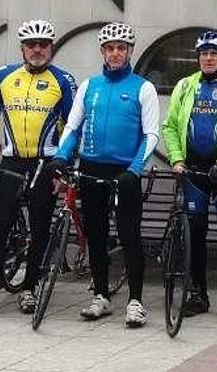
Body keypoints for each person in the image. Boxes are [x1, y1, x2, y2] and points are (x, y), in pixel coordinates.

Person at [52, 22, 160, 327]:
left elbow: (151, 134)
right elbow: (73, 127)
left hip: (125, 171)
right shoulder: (89, 86)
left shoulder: (143, 87)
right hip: (91, 168)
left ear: (129, 52)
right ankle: (101, 295)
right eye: (110, 48)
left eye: (121, 48)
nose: (116, 53)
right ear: (102, 51)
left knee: (129, 235)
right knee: (96, 235)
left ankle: (136, 301)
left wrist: (134, 169)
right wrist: (61, 157)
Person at [0, 20, 76, 320]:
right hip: (12, 161)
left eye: (43, 44)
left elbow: (73, 126)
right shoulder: (4, 76)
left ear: (51, 47)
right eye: (31, 44)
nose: (37, 49)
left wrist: (63, 168)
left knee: (40, 228)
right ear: (22, 48)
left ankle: (30, 287)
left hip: (45, 162)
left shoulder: (64, 80)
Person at [162, 30, 217, 323]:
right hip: (193, 171)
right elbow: (170, 125)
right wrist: (176, 158)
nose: (208, 58)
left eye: (214, 54)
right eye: (203, 54)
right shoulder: (186, 86)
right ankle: (198, 294)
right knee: (196, 236)